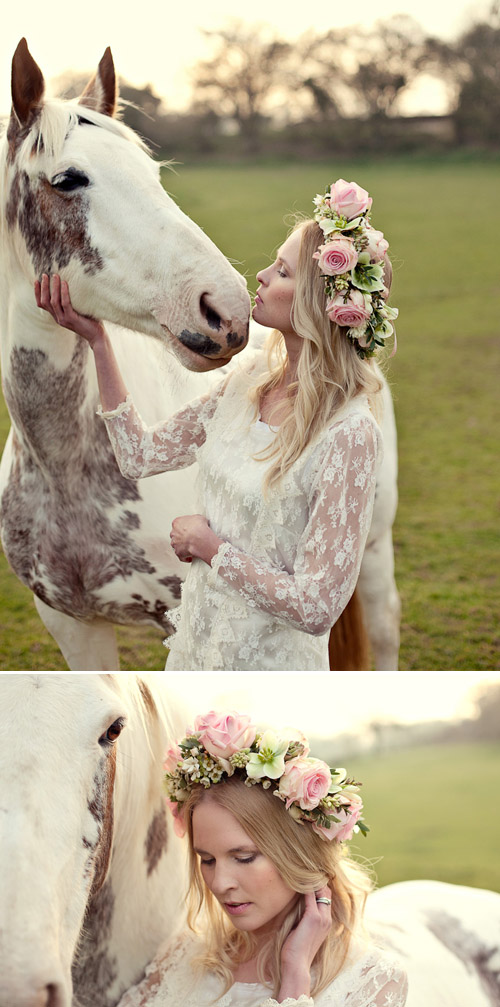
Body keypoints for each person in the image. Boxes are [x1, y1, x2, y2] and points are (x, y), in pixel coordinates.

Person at [36, 178, 398, 671]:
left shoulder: (350, 433)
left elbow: (318, 608)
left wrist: (211, 549)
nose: (263, 275)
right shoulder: (246, 381)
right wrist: (99, 342)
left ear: (316, 303)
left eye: (283, 271)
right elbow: (138, 455)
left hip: (271, 669)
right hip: (194, 652)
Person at [115, 710, 408, 1007]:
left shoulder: (371, 982)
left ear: (298, 853)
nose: (219, 883)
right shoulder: (181, 955)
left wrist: (294, 978)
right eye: (207, 860)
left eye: (243, 857)